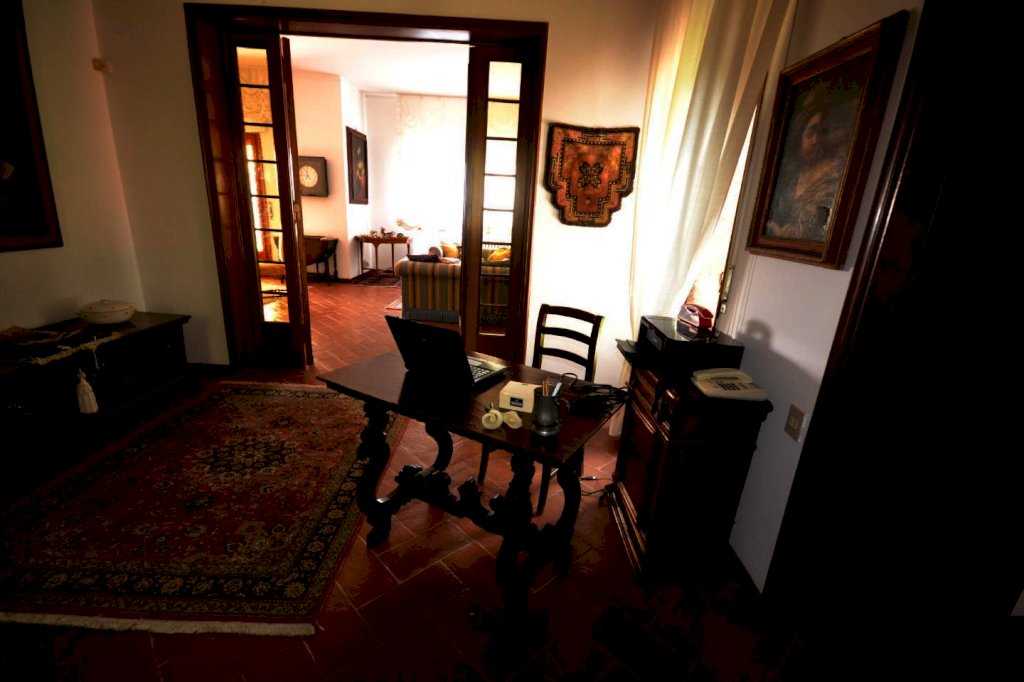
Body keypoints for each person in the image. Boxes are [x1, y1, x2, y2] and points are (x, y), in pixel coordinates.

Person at [765, 96, 847, 242]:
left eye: (821, 133)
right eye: (810, 134)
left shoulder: (834, 170)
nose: (816, 140)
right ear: (799, 137)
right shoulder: (791, 176)